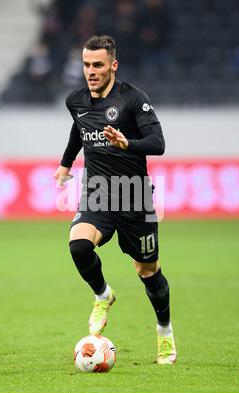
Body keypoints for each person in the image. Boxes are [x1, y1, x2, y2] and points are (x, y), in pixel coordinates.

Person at [54, 35, 176, 365]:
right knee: (78, 245)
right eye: (86, 65)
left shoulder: (134, 100)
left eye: (98, 65)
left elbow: (158, 143)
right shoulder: (75, 100)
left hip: (134, 196)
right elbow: (78, 129)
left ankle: (164, 331)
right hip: (97, 193)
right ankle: (102, 294)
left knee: (147, 271)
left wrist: (128, 144)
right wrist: (66, 164)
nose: (91, 71)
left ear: (113, 66)